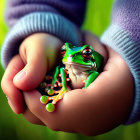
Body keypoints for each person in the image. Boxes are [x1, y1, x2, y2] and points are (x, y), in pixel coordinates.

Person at [1, 0, 139, 136]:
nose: (70, 57)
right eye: (63, 52)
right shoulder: (66, 66)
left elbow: (93, 74)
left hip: (98, 67)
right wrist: (39, 13)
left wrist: (133, 51)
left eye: (86, 54)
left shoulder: (91, 71)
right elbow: (61, 69)